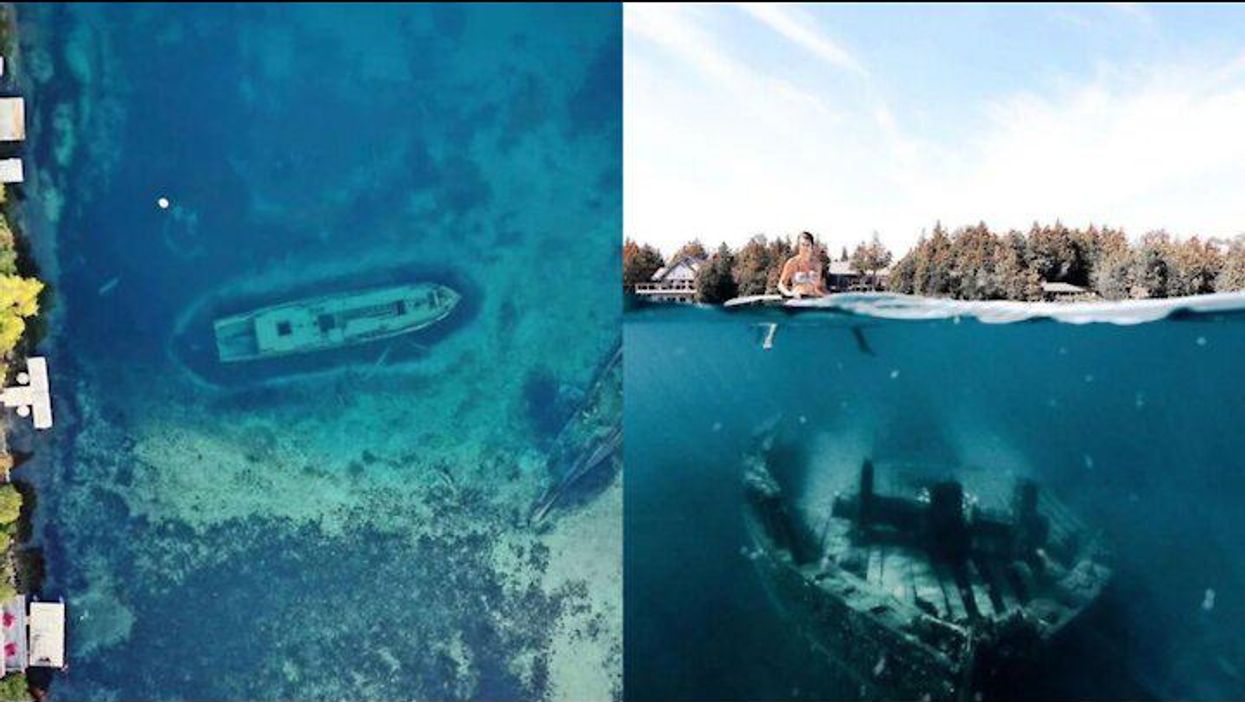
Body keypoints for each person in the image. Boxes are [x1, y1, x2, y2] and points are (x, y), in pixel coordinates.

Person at [778, 231, 827, 298]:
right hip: (798, 299)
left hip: (813, 299)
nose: (805, 248)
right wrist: (789, 294)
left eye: (807, 245)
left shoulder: (817, 264)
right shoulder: (792, 262)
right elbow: (781, 284)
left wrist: (826, 297)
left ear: (812, 246)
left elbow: (817, 287)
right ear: (799, 246)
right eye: (803, 245)